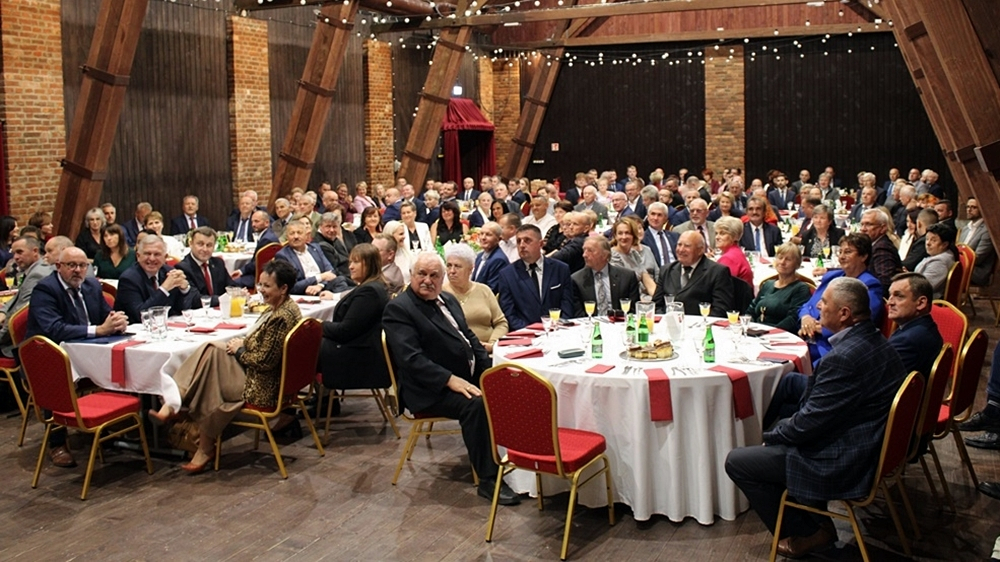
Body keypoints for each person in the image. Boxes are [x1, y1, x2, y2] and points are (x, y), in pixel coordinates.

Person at [726, 277, 906, 560]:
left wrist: (768, 437)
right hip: (868, 440)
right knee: (787, 409)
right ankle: (812, 518)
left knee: (738, 461)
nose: (818, 306)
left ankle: (810, 533)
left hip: (847, 458)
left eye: (824, 302)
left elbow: (809, 424)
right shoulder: (876, 340)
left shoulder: (844, 357)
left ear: (844, 313)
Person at [383, 251, 521, 505]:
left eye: (434, 275)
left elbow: (469, 338)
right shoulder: (399, 309)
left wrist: (489, 372)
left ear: (442, 278)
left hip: (463, 376)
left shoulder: (447, 298)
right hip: (428, 389)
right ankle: (489, 480)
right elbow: (411, 359)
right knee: (475, 404)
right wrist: (450, 380)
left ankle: (523, 462)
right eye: (422, 274)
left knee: (515, 383)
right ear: (411, 275)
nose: (427, 280)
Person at [151, 260, 302, 473]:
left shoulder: (282, 317)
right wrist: (243, 343)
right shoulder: (281, 308)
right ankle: (195, 433)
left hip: (263, 388)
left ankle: (178, 404)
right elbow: (265, 346)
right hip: (267, 378)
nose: (261, 290)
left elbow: (264, 362)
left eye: (267, 286)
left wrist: (240, 350)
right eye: (260, 284)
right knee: (212, 352)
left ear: (283, 288)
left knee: (212, 366)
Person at [26, 246, 130, 468]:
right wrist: (98, 330)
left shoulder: (91, 285)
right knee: (54, 373)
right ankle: (56, 442)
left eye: (82, 265)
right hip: (46, 355)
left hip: (87, 350)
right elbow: (54, 328)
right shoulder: (45, 290)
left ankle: (118, 425)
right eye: (71, 265)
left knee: (125, 360)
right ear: (58, 267)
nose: (77, 270)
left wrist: (116, 321)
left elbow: (106, 315)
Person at [318, 243, 391, 391]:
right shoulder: (374, 286)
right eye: (350, 262)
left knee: (304, 345)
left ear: (369, 264)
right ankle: (319, 396)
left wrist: (319, 325)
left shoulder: (369, 292)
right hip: (361, 346)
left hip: (360, 357)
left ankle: (290, 395)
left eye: (356, 262)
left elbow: (345, 331)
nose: (350, 267)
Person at [798, 233, 882, 361]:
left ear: (864, 256)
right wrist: (806, 318)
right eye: (840, 252)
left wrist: (820, 329)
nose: (841, 257)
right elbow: (808, 305)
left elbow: (862, 323)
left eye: (848, 252)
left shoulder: (869, 284)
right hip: (805, 338)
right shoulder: (832, 277)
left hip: (831, 347)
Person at [496, 224, 574, 331]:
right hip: (524, 333)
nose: (522, 245)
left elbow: (567, 305)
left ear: (540, 244)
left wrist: (559, 327)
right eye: (518, 241)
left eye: (527, 240)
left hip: (558, 330)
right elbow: (509, 313)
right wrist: (530, 331)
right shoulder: (507, 274)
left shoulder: (560, 269)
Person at [115, 235, 201, 323]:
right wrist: (164, 289)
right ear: (138, 256)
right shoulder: (128, 279)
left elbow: (181, 309)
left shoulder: (169, 272)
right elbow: (141, 316)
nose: (152, 258)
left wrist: (184, 290)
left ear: (165, 257)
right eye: (147, 254)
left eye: (157, 254)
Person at [443, 244, 508, 354]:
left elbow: (501, 323)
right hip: (458, 353)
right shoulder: (440, 294)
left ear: (470, 269)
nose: (452, 271)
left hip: (490, 351)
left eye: (457, 266)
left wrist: (492, 344)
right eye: (449, 265)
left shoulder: (484, 290)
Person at [652, 230, 734, 316]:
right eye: (679, 245)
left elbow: (721, 310)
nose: (681, 250)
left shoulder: (717, 272)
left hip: (702, 322)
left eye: (687, 246)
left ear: (700, 250)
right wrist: (667, 319)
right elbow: (656, 306)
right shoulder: (666, 270)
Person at [885, 272, 944, 379]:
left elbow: (883, 381)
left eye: (899, 296)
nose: (890, 302)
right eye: (890, 295)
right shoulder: (926, 326)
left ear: (921, 303)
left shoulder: (907, 341)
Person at [0, 237, 52, 357]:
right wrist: (2, 311)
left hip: (15, 345)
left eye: (20, 252)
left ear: (35, 251)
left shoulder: (37, 274)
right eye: (14, 253)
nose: (16, 257)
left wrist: (0, 336)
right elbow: (16, 298)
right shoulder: (35, 269)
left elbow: (18, 315)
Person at [747, 243, 812, 332]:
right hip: (756, 331)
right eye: (780, 258)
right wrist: (748, 327)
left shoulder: (800, 289)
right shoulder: (767, 284)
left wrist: (770, 332)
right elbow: (751, 310)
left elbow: (793, 319)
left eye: (788, 259)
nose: (782, 262)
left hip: (780, 334)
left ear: (797, 264)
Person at [571, 236, 640, 318]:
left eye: (590, 251)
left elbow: (633, 310)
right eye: (584, 250)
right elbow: (578, 313)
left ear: (604, 255)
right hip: (590, 323)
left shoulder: (627, 277)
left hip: (619, 322)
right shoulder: (576, 280)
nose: (584, 255)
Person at [274, 221, 348, 296]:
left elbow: (331, 272)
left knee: (341, 280)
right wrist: (319, 277)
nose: (296, 236)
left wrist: (320, 285)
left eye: (299, 233)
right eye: (292, 233)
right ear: (287, 237)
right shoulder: (283, 256)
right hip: (305, 291)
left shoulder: (315, 248)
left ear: (306, 235)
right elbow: (291, 286)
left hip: (323, 286)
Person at [176, 227, 234, 306]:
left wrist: (238, 292)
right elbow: (195, 299)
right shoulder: (183, 268)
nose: (205, 249)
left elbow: (231, 286)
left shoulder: (218, 263)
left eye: (209, 245)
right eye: (200, 244)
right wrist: (222, 299)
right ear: (191, 244)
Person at [231, 211, 280, 289]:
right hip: (263, 273)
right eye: (252, 222)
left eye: (257, 221)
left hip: (259, 276)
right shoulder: (269, 235)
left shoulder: (266, 239)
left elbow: (258, 263)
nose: (253, 224)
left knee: (231, 282)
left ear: (267, 223)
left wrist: (241, 271)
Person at [610, 216, 657, 296]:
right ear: (615, 236)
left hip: (644, 297)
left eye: (627, 233)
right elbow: (623, 289)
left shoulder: (634, 254)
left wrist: (658, 298)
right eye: (620, 233)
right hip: (627, 298)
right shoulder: (613, 256)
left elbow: (648, 282)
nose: (624, 237)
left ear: (633, 235)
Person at [859, 208, 902, 295]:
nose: (863, 229)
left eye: (868, 224)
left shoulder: (882, 248)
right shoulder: (875, 244)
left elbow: (885, 282)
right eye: (862, 224)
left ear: (883, 228)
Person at [915, 222, 958, 299]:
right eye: (927, 239)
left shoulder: (939, 262)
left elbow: (922, 288)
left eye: (933, 240)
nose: (928, 243)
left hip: (924, 299)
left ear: (944, 244)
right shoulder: (942, 255)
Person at [961, 197, 997, 287]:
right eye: (967, 207)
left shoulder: (987, 231)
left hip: (977, 272)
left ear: (982, 209)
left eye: (973, 207)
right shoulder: (965, 228)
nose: (969, 210)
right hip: (963, 265)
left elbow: (977, 258)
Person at [315, 212, 357, 279]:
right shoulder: (320, 244)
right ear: (320, 227)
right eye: (328, 226)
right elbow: (334, 271)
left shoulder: (335, 240)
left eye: (334, 227)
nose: (331, 230)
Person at [714, 216, 753, 288]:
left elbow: (721, 286)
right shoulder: (736, 252)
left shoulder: (729, 258)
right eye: (716, 233)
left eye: (722, 233)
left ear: (734, 236)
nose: (717, 237)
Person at [471, 222, 509, 293]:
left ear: (498, 239)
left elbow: (491, 290)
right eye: (481, 234)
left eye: (488, 235)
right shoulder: (480, 256)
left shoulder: (499, 260)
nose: (483, 238)